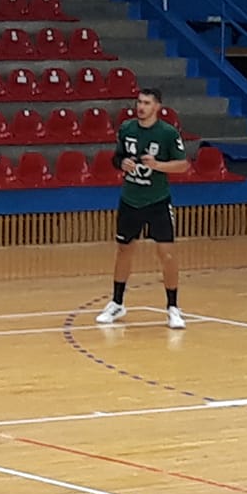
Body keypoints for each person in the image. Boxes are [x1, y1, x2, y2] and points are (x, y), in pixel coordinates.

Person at [95, 87, 190, 330]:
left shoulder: (167, 133)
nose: (141, 107)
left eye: (147, 103)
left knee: (167, 253)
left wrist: (157, 165)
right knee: (124, 250)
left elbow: (182, 165)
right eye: (139, 102)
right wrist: (122, 163)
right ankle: (117, 303)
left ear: (157, 107)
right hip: (130, 199)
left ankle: (173, 308)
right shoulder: (127, 128)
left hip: (158, 201)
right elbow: (116, 157)